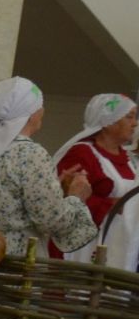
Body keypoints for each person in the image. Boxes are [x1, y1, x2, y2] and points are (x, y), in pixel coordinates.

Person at [0, 77, 95, 260]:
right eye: (40, 105)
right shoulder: (30, 154)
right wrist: (76, 197)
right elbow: (51, 220)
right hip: (11, 261)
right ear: (31, 113)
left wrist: (52, 187)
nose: (43, 110)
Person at [52, 93, 138, 266]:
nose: (135, 123)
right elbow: (65, 196)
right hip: (88, 243)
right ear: (108, 121)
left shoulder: (129, 159)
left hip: (120, 240)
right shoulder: (82, 153)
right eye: (129, 117)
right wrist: (111, 206)